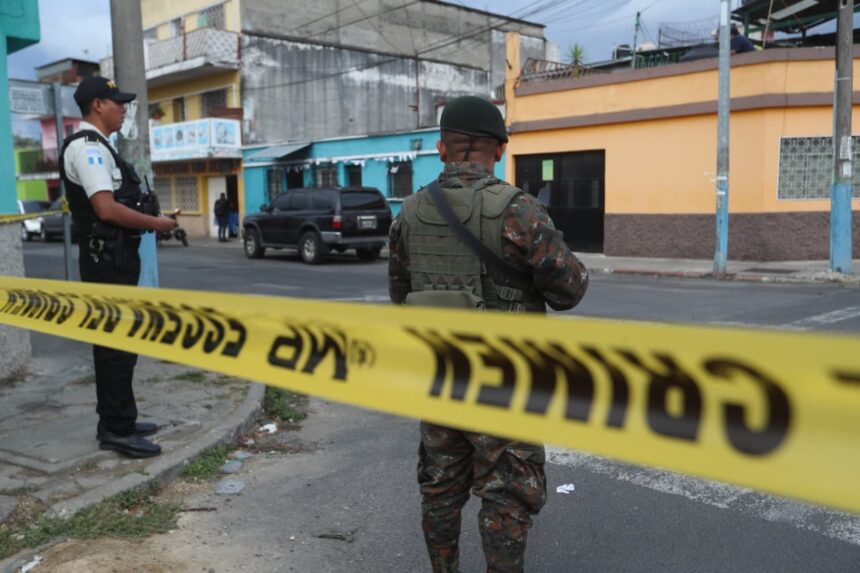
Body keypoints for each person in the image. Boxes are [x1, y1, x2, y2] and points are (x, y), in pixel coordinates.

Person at [388, 96, 589, 573]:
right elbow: (570, 290)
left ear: (441, 147)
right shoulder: (521, 211)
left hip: (442, 376)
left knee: (439, 489)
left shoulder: (410, 213)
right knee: (506, 499)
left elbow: (401, 296)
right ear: (499, 149)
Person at [60, 76, 178, 458]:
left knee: (120, 343)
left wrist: (151, 216)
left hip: (113, 257)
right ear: (97, 105)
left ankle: (118, 418)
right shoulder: (89, 150)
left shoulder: (100, 147)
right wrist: (156, 224)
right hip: (106, 261)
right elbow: (106, 209)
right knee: (114, 345)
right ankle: (117, 429)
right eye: (118, 102)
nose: (123, 108)